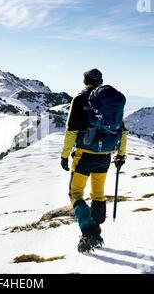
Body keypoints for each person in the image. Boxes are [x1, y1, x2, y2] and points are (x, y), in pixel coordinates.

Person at [60, 68, 127, 253]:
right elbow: (123, 130)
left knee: (75, 194)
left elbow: (71, 130)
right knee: (98, 194)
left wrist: (65, 155)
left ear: (84, 81)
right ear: (101, 81)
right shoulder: (112, 103)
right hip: (105, 156)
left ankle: (88, 231)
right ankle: (95, 231)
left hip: (84, 156)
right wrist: (121, 155)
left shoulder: (80, 99)